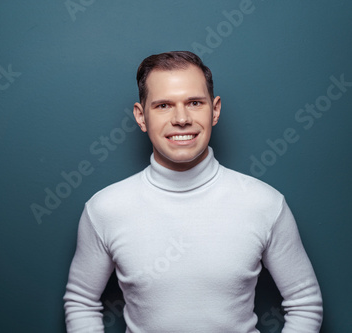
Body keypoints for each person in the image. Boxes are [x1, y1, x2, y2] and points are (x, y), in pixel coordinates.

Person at [63, 51, 323, 332]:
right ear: (141, 116)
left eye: (195, 102)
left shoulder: (264, 203)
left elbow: (304, 302)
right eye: (163, 105)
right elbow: (82, 302)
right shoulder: (105, 209)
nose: (181, 118)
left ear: (215, 110)